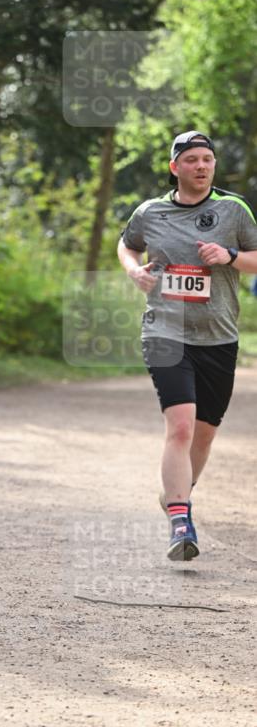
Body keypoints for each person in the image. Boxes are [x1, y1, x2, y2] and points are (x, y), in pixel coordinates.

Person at [117, 131, 257, 561]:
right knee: (180, 427)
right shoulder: (150, 212)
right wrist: (134, 271)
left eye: (207, 160)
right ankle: (181, 520)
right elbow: (127, 244)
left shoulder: (233, 209)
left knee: (204, 433)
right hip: (165, 332)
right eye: (192, 159)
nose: (201, 166)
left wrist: (230, 257)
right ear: (175, 167)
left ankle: (175, 495)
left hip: (218, 337)